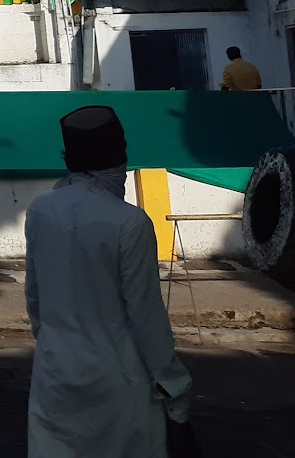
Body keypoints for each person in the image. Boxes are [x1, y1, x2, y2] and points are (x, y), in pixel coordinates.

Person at [25, 105, 197, 458]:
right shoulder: (130, 222)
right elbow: (146, 317)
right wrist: (173, 385)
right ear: (119, 156)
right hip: (119, 380)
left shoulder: (41, 211)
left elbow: (35, 298)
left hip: (55, 374)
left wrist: (56, 349)